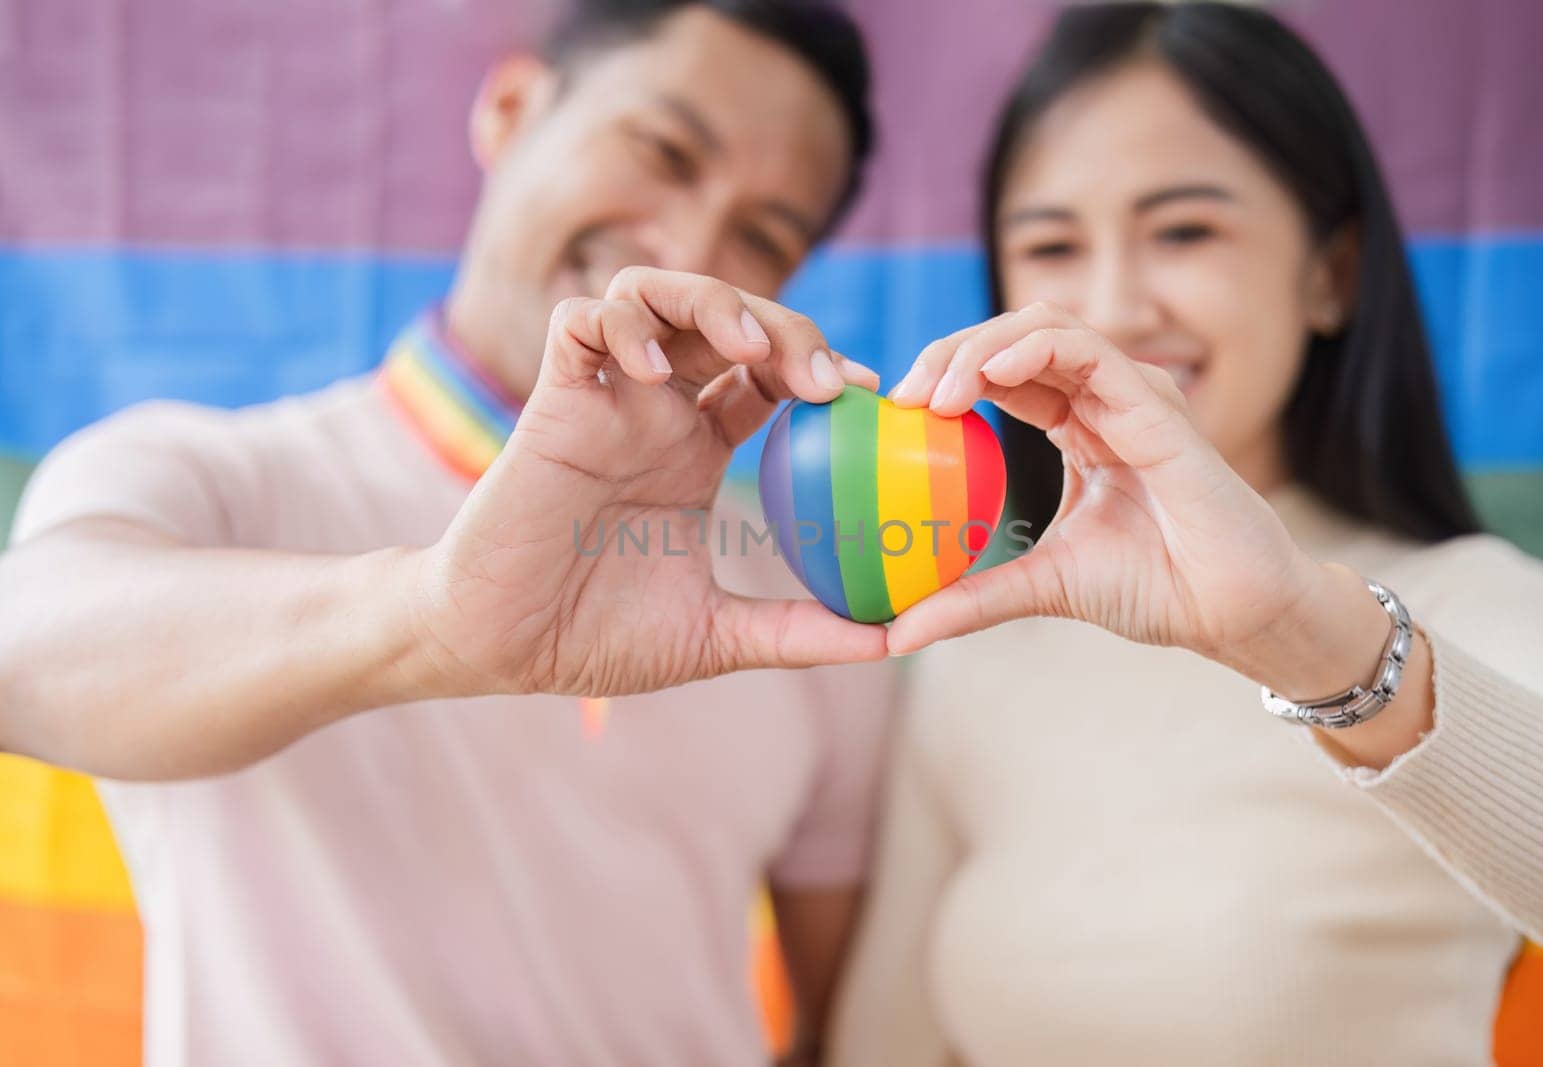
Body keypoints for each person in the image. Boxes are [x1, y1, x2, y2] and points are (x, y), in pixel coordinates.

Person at [0, 3, 901, 1064]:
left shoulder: (806, 585)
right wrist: (437, 618)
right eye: (663, 151)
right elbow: (22, 655)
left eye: (763, 233)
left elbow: (841, 1023)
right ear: (512, 110)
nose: (687, 246)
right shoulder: (212, 476)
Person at [829, 4, 1543, 1065]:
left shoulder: (1476, 599)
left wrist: (1303, 634)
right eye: (1050, 244)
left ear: (1329, 272)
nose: (1110, 307)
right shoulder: (976, 642)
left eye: (1184, 230)